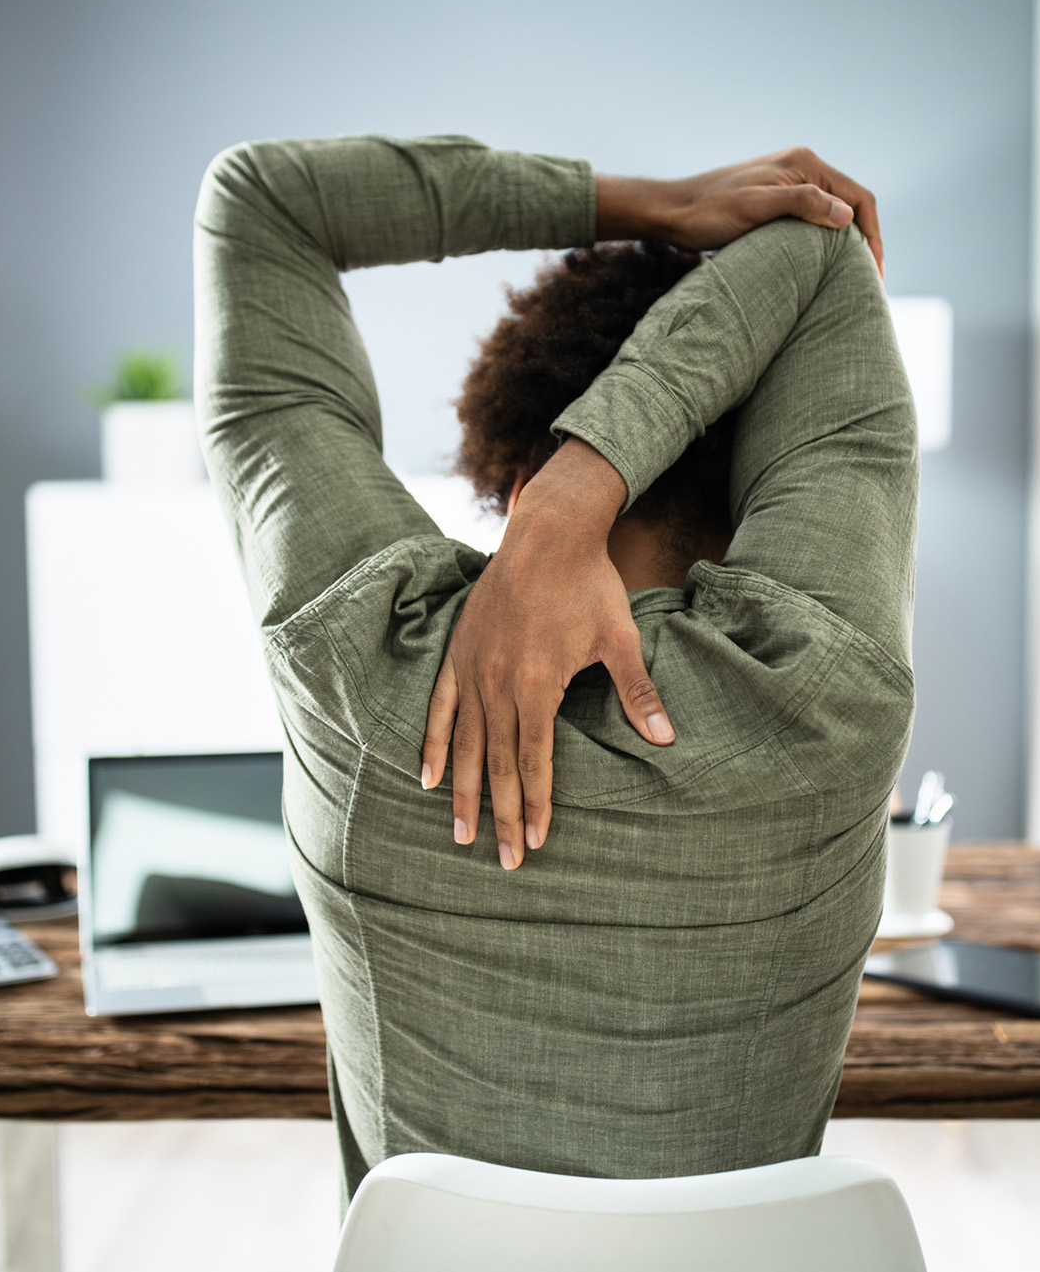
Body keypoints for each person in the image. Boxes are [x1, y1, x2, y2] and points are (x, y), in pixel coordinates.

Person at [193, 134, 918, 1209]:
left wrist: (652, 204)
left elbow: (264, 202)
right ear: (767, 468)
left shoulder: (357, 653)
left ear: (510, 479)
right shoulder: (819, 683)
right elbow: (821, 246)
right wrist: (595, 479)